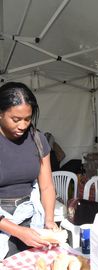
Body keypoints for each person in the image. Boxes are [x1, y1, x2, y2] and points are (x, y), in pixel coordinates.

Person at [0, 82, 58, 259]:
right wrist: (17, 231)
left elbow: (46, 186)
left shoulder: (37, 139)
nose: (23, 126)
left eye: (28, 118)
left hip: (31, 218)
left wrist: (49, 220)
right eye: (16, 119)